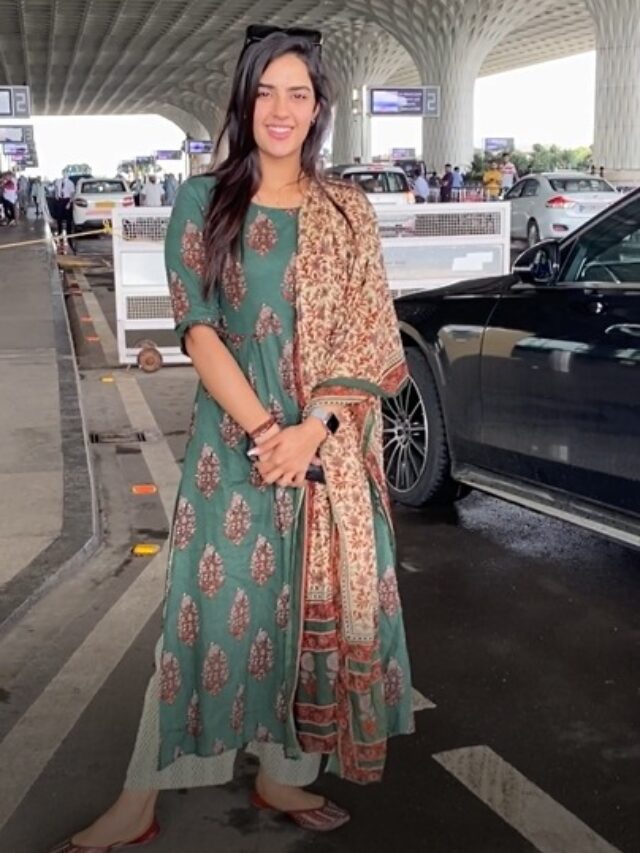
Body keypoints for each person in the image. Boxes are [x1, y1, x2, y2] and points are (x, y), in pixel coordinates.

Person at [48, 23, 414, 853]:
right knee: (205, 619)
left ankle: (285, 773)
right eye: (265, 91)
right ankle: (140, 799)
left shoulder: (348, 212)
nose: (280, 110)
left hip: (327, 454)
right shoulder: (203, 201)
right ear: (243, 100)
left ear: (319, 107)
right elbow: (199, 328)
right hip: (237, 454)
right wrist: (268, 433)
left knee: (312, 615)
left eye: (298, 93)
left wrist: (311, 430)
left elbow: (369, 334)